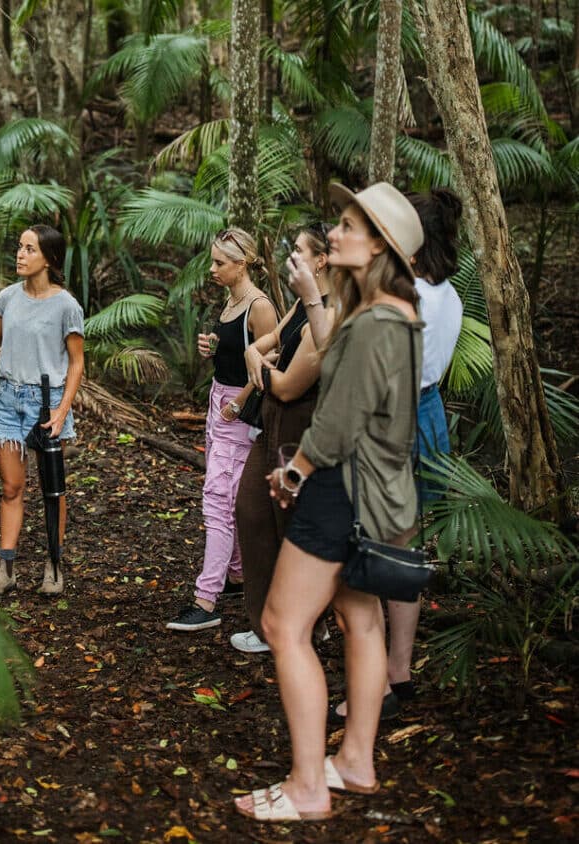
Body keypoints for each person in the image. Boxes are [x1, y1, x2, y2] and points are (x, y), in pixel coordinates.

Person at [233, 182, 424, 823]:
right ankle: (356, 762)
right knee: (359, 619)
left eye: (347, 226)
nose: (334, 234)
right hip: (378, 493)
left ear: (378, 247)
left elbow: (338, 420)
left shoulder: (374, 323)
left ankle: (308, 785)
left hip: (339, 489)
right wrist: (316, 300)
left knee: (284, 626)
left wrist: (295, 472)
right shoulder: (395, 314)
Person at [330, 187, 464, 721]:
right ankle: (398, 671)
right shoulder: (447, 294)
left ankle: (374, 685)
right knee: (403, 552)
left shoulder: (404, 299)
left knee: (368, 553)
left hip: (393, 419)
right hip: (429, 415)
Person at [166, 228, 277, 631]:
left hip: (238, 411)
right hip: (219, 403)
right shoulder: (233, 300)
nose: (212, 269)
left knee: (217, 501)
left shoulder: (259, 306)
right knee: (223, 496)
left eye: (219, 263)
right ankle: (235, 576)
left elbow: (273, 359)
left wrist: (240, 400)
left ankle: (205, 600)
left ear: (242, 263)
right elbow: (238, 352)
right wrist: (213, 347)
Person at [230, 225, 333, 654]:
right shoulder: (297, 305)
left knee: (291, 525)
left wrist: (261, 367)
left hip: (299, 427)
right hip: (269, 421)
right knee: (250, 510)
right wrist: (256, 355)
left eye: (299, 250)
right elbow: (263, 346)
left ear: (322, 260)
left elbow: (290, 385)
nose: (291, 256)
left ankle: (309, 623)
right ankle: (266, 622)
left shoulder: (328, 313)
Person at [0, 225, 84, 597]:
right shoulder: (7, 298)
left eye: (29, 249)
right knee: (11, 487)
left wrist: (62, 408)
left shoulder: (67, 305)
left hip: (47, 401)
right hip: (6, 399)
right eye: (19, 247)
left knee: (54, 489)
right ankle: (6, 569)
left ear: (49, 259)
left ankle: (54, 564)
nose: (20, 254)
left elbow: (76, 363)